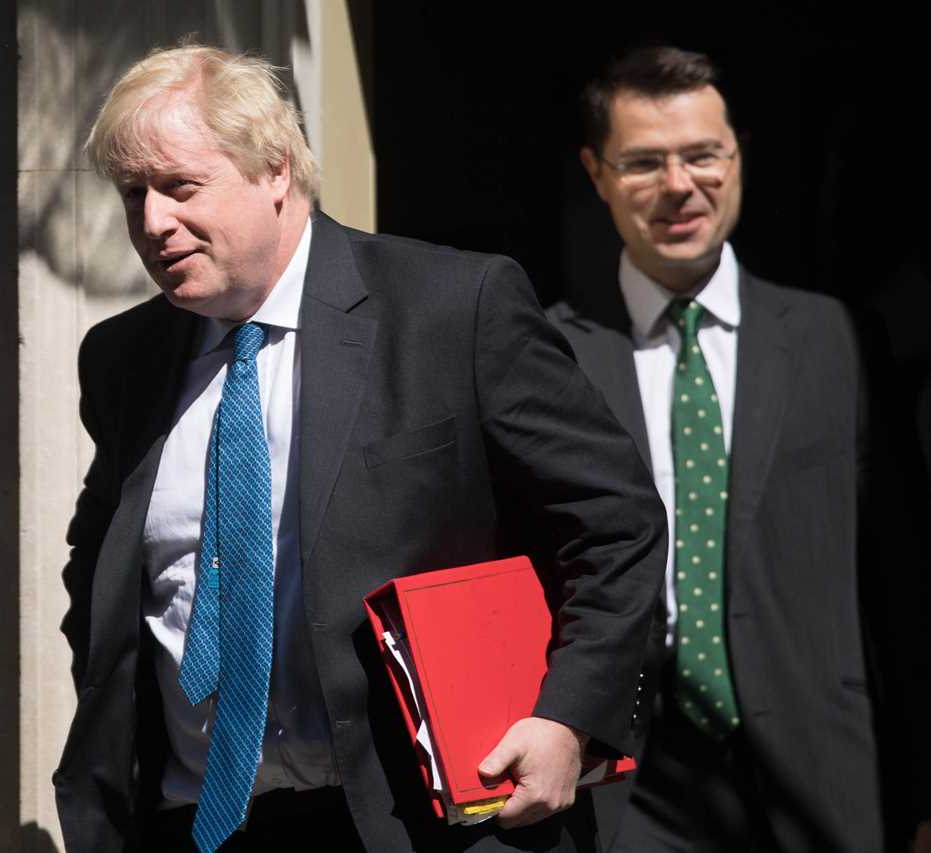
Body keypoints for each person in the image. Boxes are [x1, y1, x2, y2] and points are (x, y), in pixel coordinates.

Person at [52, 45, 665, 853]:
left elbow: (616, 524)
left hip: (415, 820)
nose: (152, 222)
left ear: (275, 169)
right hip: (195, 824)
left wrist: (565, 718)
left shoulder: (453, 308)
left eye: (180, 186)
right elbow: (102, 571)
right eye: (134, 194)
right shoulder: (124, 358)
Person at [550, 45, 931, 852]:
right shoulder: (554, 355)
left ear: (738, 154)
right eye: (644, 162)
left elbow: (909, 587)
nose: (679, 185)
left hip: (824, 777)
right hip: (630, 787)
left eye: (702, 154)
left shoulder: (835, 339)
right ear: (597, 172)